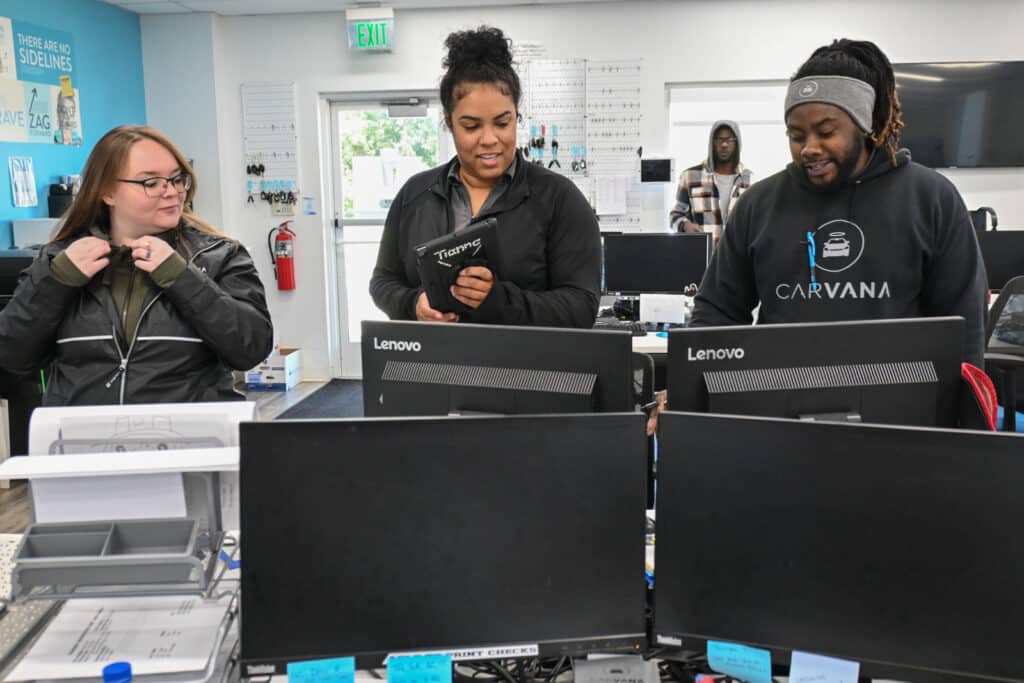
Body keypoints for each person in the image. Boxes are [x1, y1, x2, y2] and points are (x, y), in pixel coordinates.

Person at [648, 38, 987, 434]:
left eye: (826, 131)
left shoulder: (930, 198)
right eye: (796, 135)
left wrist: (963, 436)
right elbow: (717, 311)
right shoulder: (760, 204)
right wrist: (689, 390)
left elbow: (963, 333)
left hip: (901, 427)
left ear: (866, 126)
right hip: (777, 423)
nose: (809, 148)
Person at [0, 125, 273, 405]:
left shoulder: (219, 255)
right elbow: (12, 357)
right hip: (85, 442)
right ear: (107, 192)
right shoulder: (57, 261)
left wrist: (183, 278)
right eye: (151, 183)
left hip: (194, 440)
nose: (172, 192)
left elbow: (250, 348)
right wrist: (56, 282)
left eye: (177, 179)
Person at [369, 26, 601, 328]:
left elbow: (582, 306)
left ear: (516, 117)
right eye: (471, 126)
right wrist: (413, 304)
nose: (489, 139)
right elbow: (383, 281)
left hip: (524, 371)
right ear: (449, 123)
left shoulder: (559, 198)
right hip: (436, 367)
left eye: (502, 123)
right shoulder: (415, 195)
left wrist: (499, 301)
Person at [668, 120, 752, 240]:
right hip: (702, 255)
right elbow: (675, 216)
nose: (724, 145)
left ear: (737, 143)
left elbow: (757, 223)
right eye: (719, 139)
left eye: (729, 140)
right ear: (711, 143)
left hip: (737, 257)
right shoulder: (690, 176)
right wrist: (685, 225)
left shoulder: (749, 180)